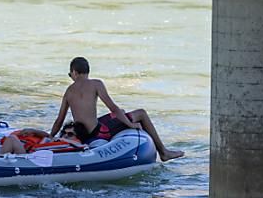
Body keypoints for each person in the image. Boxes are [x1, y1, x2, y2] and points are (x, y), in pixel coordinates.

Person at [48, 56, 184, 161]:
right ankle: (163, 152)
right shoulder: (96, 84)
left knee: (123, 113)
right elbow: (113, 108)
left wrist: (50, 137)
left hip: (82, 133)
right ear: (85, 72)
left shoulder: (69, 91)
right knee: (141, 113)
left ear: (74, 72)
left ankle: (160, 149)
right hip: (97, 132)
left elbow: (59, 120)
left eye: (70, 74)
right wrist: (130, 124)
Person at [0, 127, 82, 155]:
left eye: (70, 134)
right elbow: (48, 136)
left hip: (28, 158)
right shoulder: (57, 140)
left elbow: (83, 146)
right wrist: (34, 131)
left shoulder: (73, 144)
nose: (66, 135)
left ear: (76, 137)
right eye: (64, 133)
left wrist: (62, 139)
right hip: (28, 153)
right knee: (12, 138)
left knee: (12, 138)